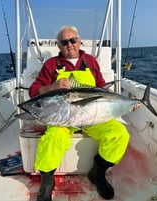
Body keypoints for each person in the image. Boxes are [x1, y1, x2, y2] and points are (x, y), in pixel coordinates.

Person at [29, 26, 130, 201]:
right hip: (63, 119)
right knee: (52, 139)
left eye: (73, 40)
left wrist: (122, 102)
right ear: (58, 45)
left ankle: (98, 173)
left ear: (79, 40)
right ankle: (47, 182)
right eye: (64, 42)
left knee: (119, 134)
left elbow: (101, 87)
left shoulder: (90, 61)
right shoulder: (51, 65)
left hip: (94, 116)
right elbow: (33, 91)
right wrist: (52, 86)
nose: (70, 44)